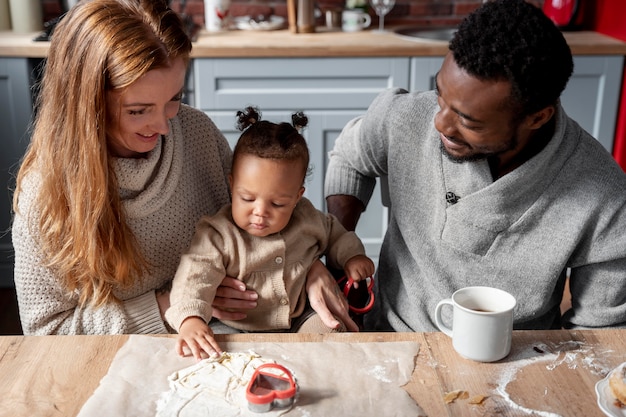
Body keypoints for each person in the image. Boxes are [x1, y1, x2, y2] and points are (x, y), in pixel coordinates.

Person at [11, 0, 352, 335]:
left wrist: (308, 269)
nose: (162, 126)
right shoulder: (44, 191)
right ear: (88, 104)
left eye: (173, 98)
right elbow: (47, 330)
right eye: (138, 111)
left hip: (229, 338)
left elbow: (258, 224)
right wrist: (172, 304)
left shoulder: (196, 132)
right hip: (124, 357)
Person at [324, 0, 626, 333]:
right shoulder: (404, 117)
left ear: (537, 117)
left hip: (519, 359)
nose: (440, 124)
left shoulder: (606, 198)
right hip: (389, 336)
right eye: (440, 95)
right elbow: (350, 158)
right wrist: (339, 251)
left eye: (469, 122)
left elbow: (598, 333)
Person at [166, 107, 375, 359]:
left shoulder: (307, 218)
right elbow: (193, 276)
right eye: (247, 198)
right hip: (235, 327)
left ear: (297, 197)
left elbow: (336, 234)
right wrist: (190, 318)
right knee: (213, 352)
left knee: (332, 336)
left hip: (298, 319)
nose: (260, 212)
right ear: (232, 185)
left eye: (277, 204)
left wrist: (353, 257)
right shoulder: (218, 233)